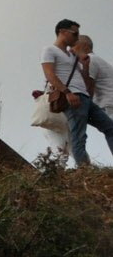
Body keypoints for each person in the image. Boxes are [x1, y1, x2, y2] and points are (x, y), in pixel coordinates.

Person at [43, 19, 113, 169]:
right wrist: (67, 92)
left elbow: (83, 77)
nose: (77, 38)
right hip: (73, 97)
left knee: (109, 127)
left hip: (85, 98)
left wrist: (85, 64)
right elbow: (49, 75)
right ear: (62, 32)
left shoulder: (71, 55)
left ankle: (84, 168)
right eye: (75, 33)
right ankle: (84, 170)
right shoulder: (50, 50)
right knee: (79, 135)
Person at [73, 33, 113, 163]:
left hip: (106, 104)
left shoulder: (90, 60)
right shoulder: (99, 60)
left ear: (82, 45)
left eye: (74, 44)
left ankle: (82, 165)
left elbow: (88, 86)